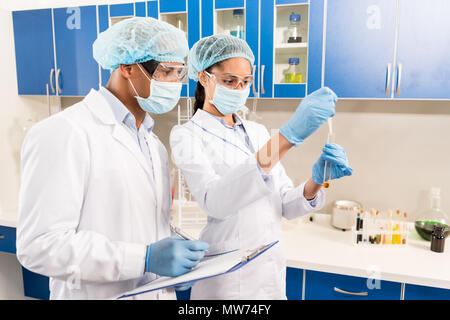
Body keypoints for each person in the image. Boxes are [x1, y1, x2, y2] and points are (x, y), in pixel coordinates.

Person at [16, 17, 209, 300]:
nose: (174, 83)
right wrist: (143, 258)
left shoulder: (153, 144)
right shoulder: (64, 132)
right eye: (166, 71)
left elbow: (141, 224)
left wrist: (173, 259)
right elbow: (40, 246)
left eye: (179, 74)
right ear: (127, 67)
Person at [169, 34, 353, 299]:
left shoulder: (257, 132)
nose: (238, 88)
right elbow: (214, 201)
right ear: (203, 77)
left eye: (245, 82)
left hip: (269, 276)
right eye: (229, 81)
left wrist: (315, 181)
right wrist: (286, 138)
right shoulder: (186, 135)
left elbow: (285, 205)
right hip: (227, 282)